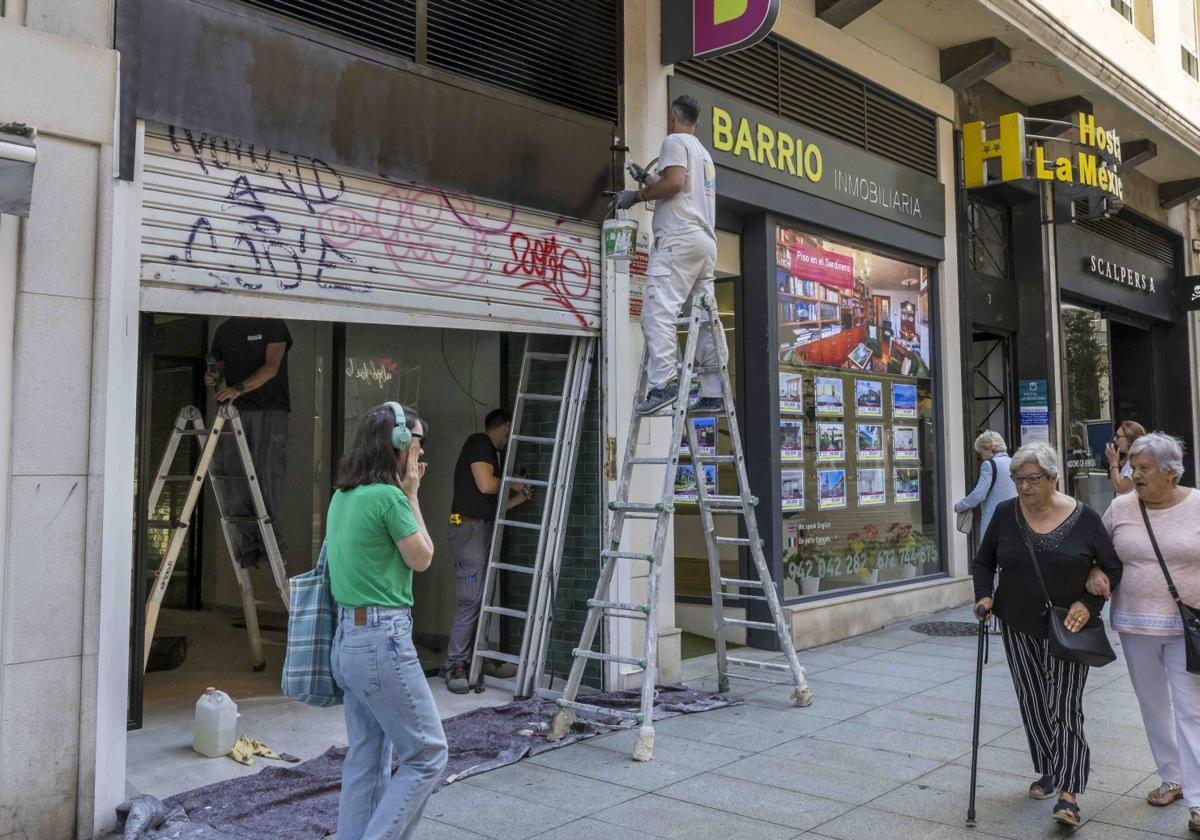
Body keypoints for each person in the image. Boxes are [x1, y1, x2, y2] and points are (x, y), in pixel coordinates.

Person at [972, 441, 1122, 828]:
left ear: (1054, 477)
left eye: (1032, 479)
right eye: (1018, 479)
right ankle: (1050, 768)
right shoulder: (1006, 515)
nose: (1024, 487)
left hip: (1069, 626)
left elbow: (1112, 567)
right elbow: (984, 560)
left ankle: (1069, 794)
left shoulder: (1085, 518)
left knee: (1065, 705)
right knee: (1034, 701)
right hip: (1017, 622)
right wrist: (984, 596)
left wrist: (1089, 604)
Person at [326, 402, 447, 840]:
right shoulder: (390, 497)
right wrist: (412, 493)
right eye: (417, 441)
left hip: (349, 642)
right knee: (428, 754)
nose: (419, 450)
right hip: (382, 640)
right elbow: (422, 557)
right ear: (398, 443)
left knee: (366, 757)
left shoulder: (343, 496)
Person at [1091, 432, 1200, 834]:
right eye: (1131, 467)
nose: (1133, 474)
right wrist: (1096, 572)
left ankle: (1199, 800)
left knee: (1191, 709)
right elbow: (1098, 554)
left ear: (1170, 473)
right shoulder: (1120, 508)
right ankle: (1171, 777)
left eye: (1143, 468)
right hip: (1135, 624)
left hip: (1188, 626)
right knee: (1153, 705)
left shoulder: (1197, 506)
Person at [614, 94, 724, 416]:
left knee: (657, 310)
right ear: (697, 121)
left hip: (678, 240)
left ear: (674, 117)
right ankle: (714, 391)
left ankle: (664, 384)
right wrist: (647, 179)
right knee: (704, 318)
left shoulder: (674, 141)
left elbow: (674, 185)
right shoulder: (704, 155)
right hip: (704, 243)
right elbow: (681, 188)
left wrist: (636, 195)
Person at [442, 409, 532, 693]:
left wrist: (518, 497)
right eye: (510, 433)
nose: (509, 440)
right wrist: (512, 481)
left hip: (476, 526)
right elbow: (486, 484)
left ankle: (475, 660)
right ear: (505, 428)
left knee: (480, 598)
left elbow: (491, 505)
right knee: (471, 599)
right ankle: (455, 664)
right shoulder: (480, 441)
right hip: (467, 530)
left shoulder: (490, 452)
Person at [204, 316, 293, 567]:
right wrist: (213, 377)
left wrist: (238, 388)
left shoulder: (273, 324)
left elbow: (272, 367)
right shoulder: (225, 329)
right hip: (234, 411)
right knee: (232, 478)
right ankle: (250, 544)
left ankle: (271, 546)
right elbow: (218, 368)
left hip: (269, 410)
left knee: (267, 475)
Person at [954, 430, 1017, 537]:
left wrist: (960, 506)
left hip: (994, 518)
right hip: (1014, 517)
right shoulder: (1013, 462)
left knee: (991, 551)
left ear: (988, 448)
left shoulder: (989, 465)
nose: (981, 456)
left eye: (981, 451)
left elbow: (979, 494)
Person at [1105, 420, 1146, 497]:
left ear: (1130, 439)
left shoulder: (1137, 461)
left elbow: (1120, 487)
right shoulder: (1130, 459)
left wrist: (1113, 463)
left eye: (1118, 436)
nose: (1114, 439)